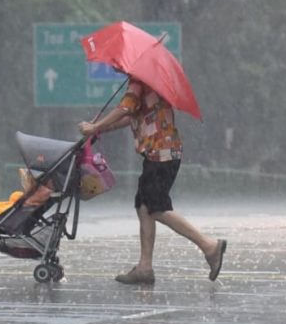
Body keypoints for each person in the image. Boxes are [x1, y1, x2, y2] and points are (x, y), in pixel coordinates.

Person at [78, 78, 226, 284]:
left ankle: (209, 246)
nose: (115, 68)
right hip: (158, 153)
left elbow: (124, 109)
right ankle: (144, 267)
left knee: (156, 207)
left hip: (162, 153)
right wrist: (101, 129)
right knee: (144, 205)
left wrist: (95, 126)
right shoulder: (146, 83)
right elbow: (132, 117)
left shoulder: (139, 81)